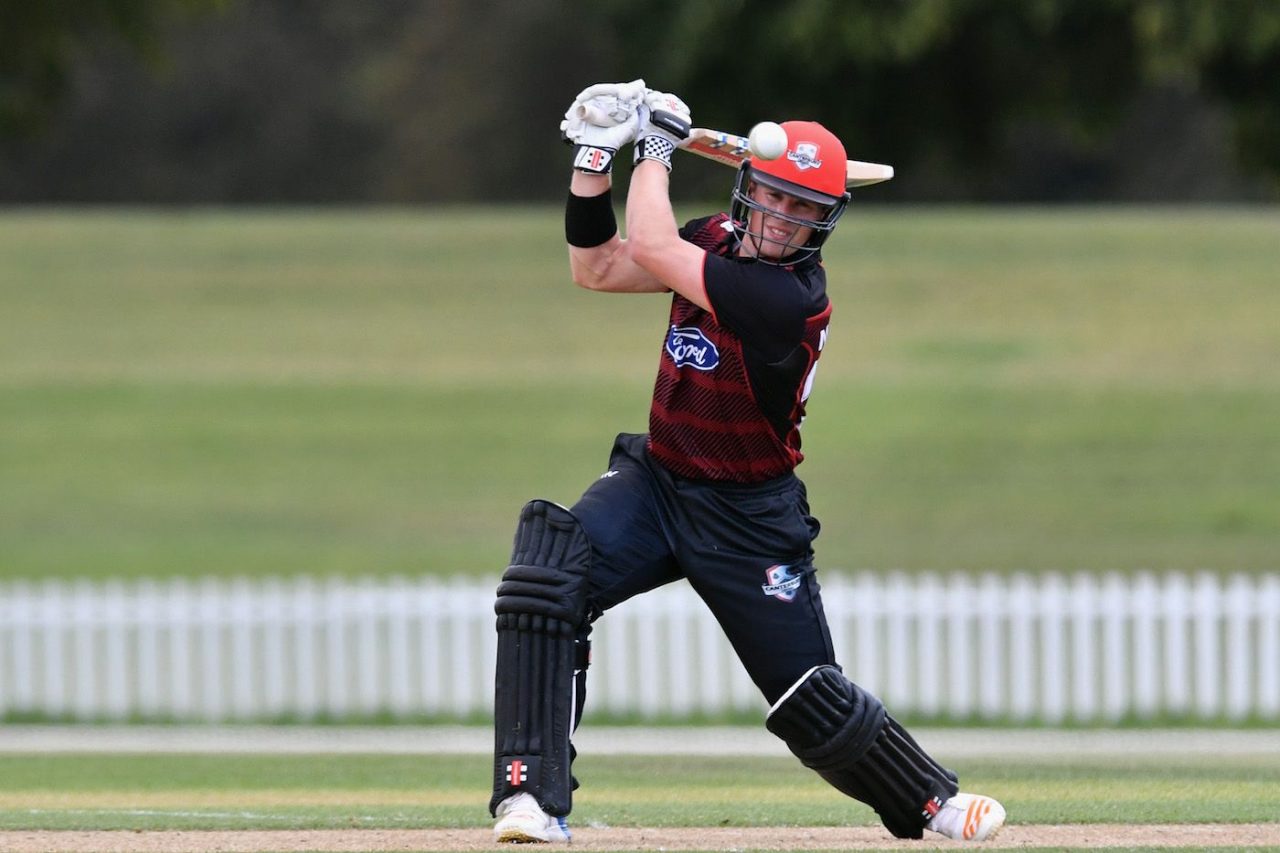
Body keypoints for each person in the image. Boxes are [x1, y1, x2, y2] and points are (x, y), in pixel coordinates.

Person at [487, 79, 1006, 844]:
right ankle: (529, 799)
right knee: (544, 578)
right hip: (658, 482)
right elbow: (596, 266)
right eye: (773, 196)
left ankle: (930, 799)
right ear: (746, 186)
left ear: (823, 226)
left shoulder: (787, 299)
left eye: (802, 209)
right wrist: (594, 159)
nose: (781, 218)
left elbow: (656, 246)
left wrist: (657, 144)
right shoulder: (710, 239)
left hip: (749, 514)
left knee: (807, 697)